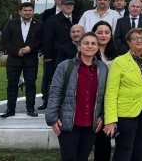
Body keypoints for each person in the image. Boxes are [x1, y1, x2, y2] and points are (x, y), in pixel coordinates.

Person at [103, 28, 142, 161]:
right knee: (124, 149)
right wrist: (110, 120)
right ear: (128, 42)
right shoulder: (119, 62)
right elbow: (111, 92)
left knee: (141, 149)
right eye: (135, 38)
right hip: (126, 112)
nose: (139, 41)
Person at [45, 32, 108, 161]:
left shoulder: (102, 68)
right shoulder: (65, 66)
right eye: (86, 43)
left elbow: (106, 95)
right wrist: (52, 117)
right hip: (69, 122)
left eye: (93, 44)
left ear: (97, 47)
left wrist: (103, 116)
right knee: (69, 157)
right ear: (79, 47)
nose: (90, 46)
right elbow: (55, 92)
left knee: (83, 157)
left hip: (92, 123)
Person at [0, 2, 44, 118]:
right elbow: (5, 41)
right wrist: (16, 50)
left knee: (31, 85)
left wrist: (31, 48)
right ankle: (10, 109)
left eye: (30, 10)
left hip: (31, 59)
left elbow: (41, 41)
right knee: (12, 85)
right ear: (20, 11)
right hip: (14, 59)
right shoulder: (11, 23)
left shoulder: (39, 24)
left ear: (33, 12)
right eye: (25, 10)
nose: (27, 12)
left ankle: (30, 108)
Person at [40, 0, 80, 110]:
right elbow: (47, 39)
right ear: (61, 6)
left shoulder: (78, 19)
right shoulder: (52, 20)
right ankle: (49, 102)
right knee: (52, 80)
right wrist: (47, 57)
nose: (69, 6)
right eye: (66, 4)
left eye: (71, 4)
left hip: (73, 55)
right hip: (56, 57)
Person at [92, 21, 119, 161]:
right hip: (91, 100)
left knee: (104, 140)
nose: (103, 35)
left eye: (107, 32)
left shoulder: (117, 53)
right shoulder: (87, 53)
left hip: (109, 101)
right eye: (99, 32)